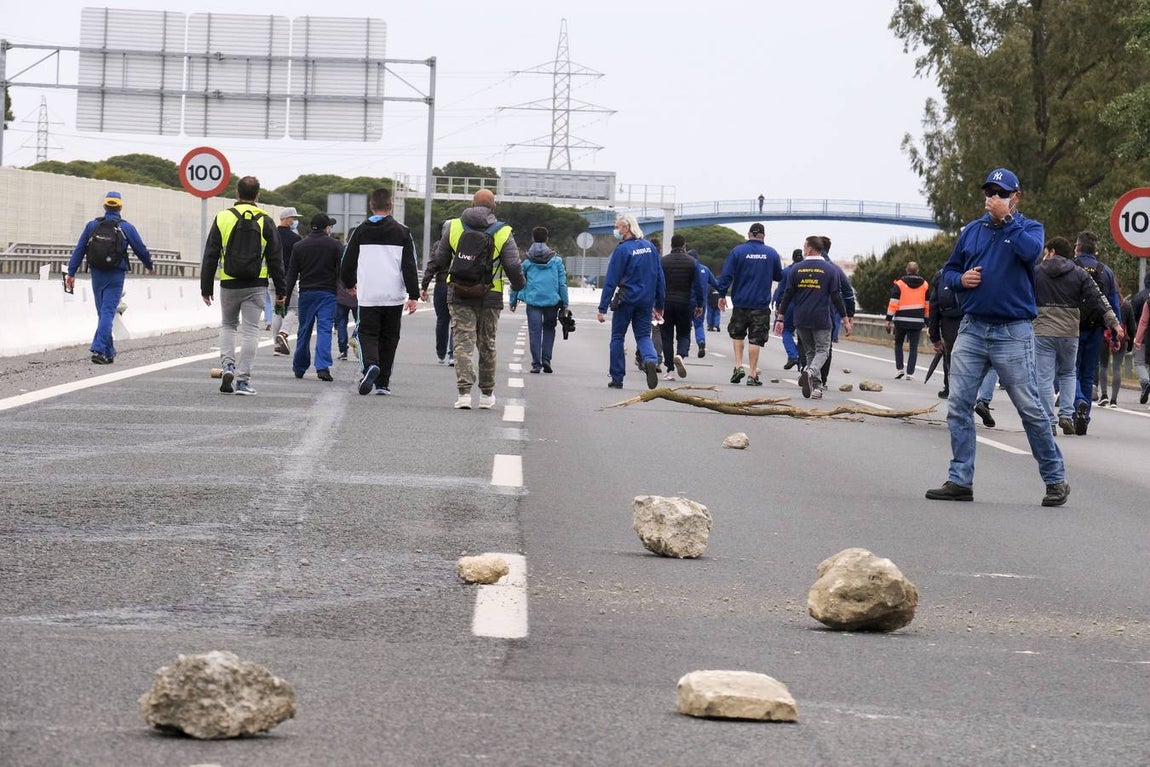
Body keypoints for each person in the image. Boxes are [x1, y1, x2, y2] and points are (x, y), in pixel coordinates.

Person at [925, 168, 1069, 507]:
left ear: (1015, 197)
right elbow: (949, 270)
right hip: (972, 327)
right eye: (990, 192)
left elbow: (1031, 253)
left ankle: (1055, 479)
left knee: (1030, 409)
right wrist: (961, 281)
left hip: (1013, 331)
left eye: (1001, 193)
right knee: (959, 405)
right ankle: (961, 479)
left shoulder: (1029, 229)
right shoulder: (972, 231)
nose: (993, 198)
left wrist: (1008, 221)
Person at [432, 188, 525, 409]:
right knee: (487, 344)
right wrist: (520, 286)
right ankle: (486, 395)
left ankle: (464, 394)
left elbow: (440, 257)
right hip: (490, 294)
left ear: (472, 204)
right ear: (493, 206)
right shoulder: (503, 231)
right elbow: (512, 265)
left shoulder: (454, 226)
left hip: (459, 292)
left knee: (462, 343)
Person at [201, 175, 285, 396]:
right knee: (250, 330)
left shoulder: (223, 218)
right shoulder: (265, 219)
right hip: (256, 284)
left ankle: (227, 366)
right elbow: (276, 258)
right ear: (258, 195)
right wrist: (281, 290)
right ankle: (243, 381)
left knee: (228, 325)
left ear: (236, 194)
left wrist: (205, 287)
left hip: (229, 282)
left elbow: (210, 254)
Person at [1033, 235, 1120, 435]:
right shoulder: (1079, 273)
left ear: (1052, 252)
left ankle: (1049, 420)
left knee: (1045, 377)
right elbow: (1099, 299)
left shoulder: (1036, 272)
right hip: (1071, 331)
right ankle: (1066, 414)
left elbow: (1022, 296)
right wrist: (1115, 323)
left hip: (1043, 330)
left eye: (1046, 252)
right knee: (1069, 372)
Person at [340, 188, 420, 396]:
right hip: (394, 295)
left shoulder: (360, 231)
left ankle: (370, 366)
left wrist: (349, 284)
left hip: (368, 294)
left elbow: (347, 261)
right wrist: (413, 295)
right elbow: (409, 265)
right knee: (390, 337)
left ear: (371, 206)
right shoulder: (403, 232)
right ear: (390, 206)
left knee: (368, 333)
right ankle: (383, 383)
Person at [65, 190, 156, 364]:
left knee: (103, 313)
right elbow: (140, 248)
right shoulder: (126, 227)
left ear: (105, 205)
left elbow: (80, 249)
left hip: (97, 273)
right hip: (115, 275)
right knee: (107, 312)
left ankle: (109, 351)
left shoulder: (92, 226)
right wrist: (149, 265)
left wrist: (71, 272)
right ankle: (99, 349)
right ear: (120, 206)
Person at [773, 235, 851, 399]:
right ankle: (810, 372)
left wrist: (780, 317)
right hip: (821, 317)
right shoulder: (831, 270)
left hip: (801, 317)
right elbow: (836, 296)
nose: (803, 249)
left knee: (810, 352)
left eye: (804, 246)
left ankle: (816, 387)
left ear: (809, 248)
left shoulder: (796, 268)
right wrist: (845, 319)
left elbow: (787, 295)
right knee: (823, 350)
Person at [596, 213, 665, 390]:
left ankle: (617, 378)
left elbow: (611, 280)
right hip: (646, 301)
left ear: (626, 228)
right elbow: (660, 278)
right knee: (643, 336)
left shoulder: (622, 250)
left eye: (617, 227)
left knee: (618, 337)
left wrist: (602, 308)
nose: (616, 230)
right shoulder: (650, 248)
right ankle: (650, 360)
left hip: (626, 300)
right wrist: (660, 304)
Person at [715, 222, 784, 386]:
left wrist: (722, 294)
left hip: (740, 302)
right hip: (760, 304)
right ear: (764, 235)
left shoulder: (738, 251)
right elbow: (779, 276)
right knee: (755, 339)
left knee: (738, 334)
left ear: (748, 234)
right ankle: (752, 374)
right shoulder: (771, 253)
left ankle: (738, 366)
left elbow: (726, 275)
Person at [1071, 231, 1121, 434]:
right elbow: (1113, 303)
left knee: (1069, 370)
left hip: (1072, 327)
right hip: (1096, 329)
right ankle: (1085, 416)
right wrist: (1116, 333)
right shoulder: (1106, 272)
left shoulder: (1071, 266)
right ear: (1096, 249)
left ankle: (1078, 402)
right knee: (1088, 373)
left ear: (1078, 247)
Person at [285, 213, 342, 382]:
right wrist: (348, 285)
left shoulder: (299, 246)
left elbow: (291, 275)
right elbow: (343, 269)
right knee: (324, 329)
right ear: (326, 228)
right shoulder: (335, 245)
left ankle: (300, 366)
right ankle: (322, 367)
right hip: (328, 293)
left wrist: (286, 297)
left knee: (304, 330)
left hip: (306, 293)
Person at [509, 226, 569, 374]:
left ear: (533, 238)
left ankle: (536, 364)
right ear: (547, 239)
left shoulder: (527, 261)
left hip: (533, 301)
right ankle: (546, 359)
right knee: (549, 328)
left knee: (535, 331)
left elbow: (517, 280)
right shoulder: (556, 261)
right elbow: (562, 283)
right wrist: (565, 303)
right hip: (552, 302)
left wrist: (513, 300)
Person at [657, 234, 705, 379]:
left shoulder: (663, 261)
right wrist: (700, 304)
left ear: (671, 245)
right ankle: (680, 355)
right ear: (684, 245)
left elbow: (657, 283)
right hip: (685, 303)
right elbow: (698, 285)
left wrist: (656, 303)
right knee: (684, 334)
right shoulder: (692, 262)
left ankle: (670, 369)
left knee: (666, 337)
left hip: (666, 304)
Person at [884, 262, 929, 381]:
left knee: (898, 344)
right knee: (913, 347)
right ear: (917, 270)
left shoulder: (900, 284)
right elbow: (927, 304)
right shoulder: (925, 284)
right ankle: (910, 373)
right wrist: (927, 321)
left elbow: (893, 302)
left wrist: (888, 319)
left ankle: (900, 369)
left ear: (906, 270)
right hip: (917, 321)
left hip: (901, 321)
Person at [271, 206, 303, 356]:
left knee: (277, 311)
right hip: (287, 278)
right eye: (293, 218)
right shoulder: (296, 239)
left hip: (271, 278)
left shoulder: (271, 235)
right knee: (293, 309)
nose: (295, 221)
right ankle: (283, 333)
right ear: (285, 218)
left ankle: (276, 347)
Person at [420, 241, 454, 366]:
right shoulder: (465, 242)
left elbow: (432, 266)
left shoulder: (440, 245)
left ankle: (441, 354)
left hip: (442, 285)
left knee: (442, 320)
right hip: (459, 286)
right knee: (457, 321)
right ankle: (453, 355)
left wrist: (424, 286)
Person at [773, 248, 804, 370]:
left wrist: (778, 306)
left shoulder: (786, 272)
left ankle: (793, 355)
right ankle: (802, 363)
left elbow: (780, 291)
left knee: (786, 330)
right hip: (804, 305)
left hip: (789, 305)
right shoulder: (807, 271)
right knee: (803, 336)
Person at [335, 276, 357, 362]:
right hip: (357, 296)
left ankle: (343, 350)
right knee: (360, 322)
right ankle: (355, 337)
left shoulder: (340, 263)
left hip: (341, 296)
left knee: (341, 323)